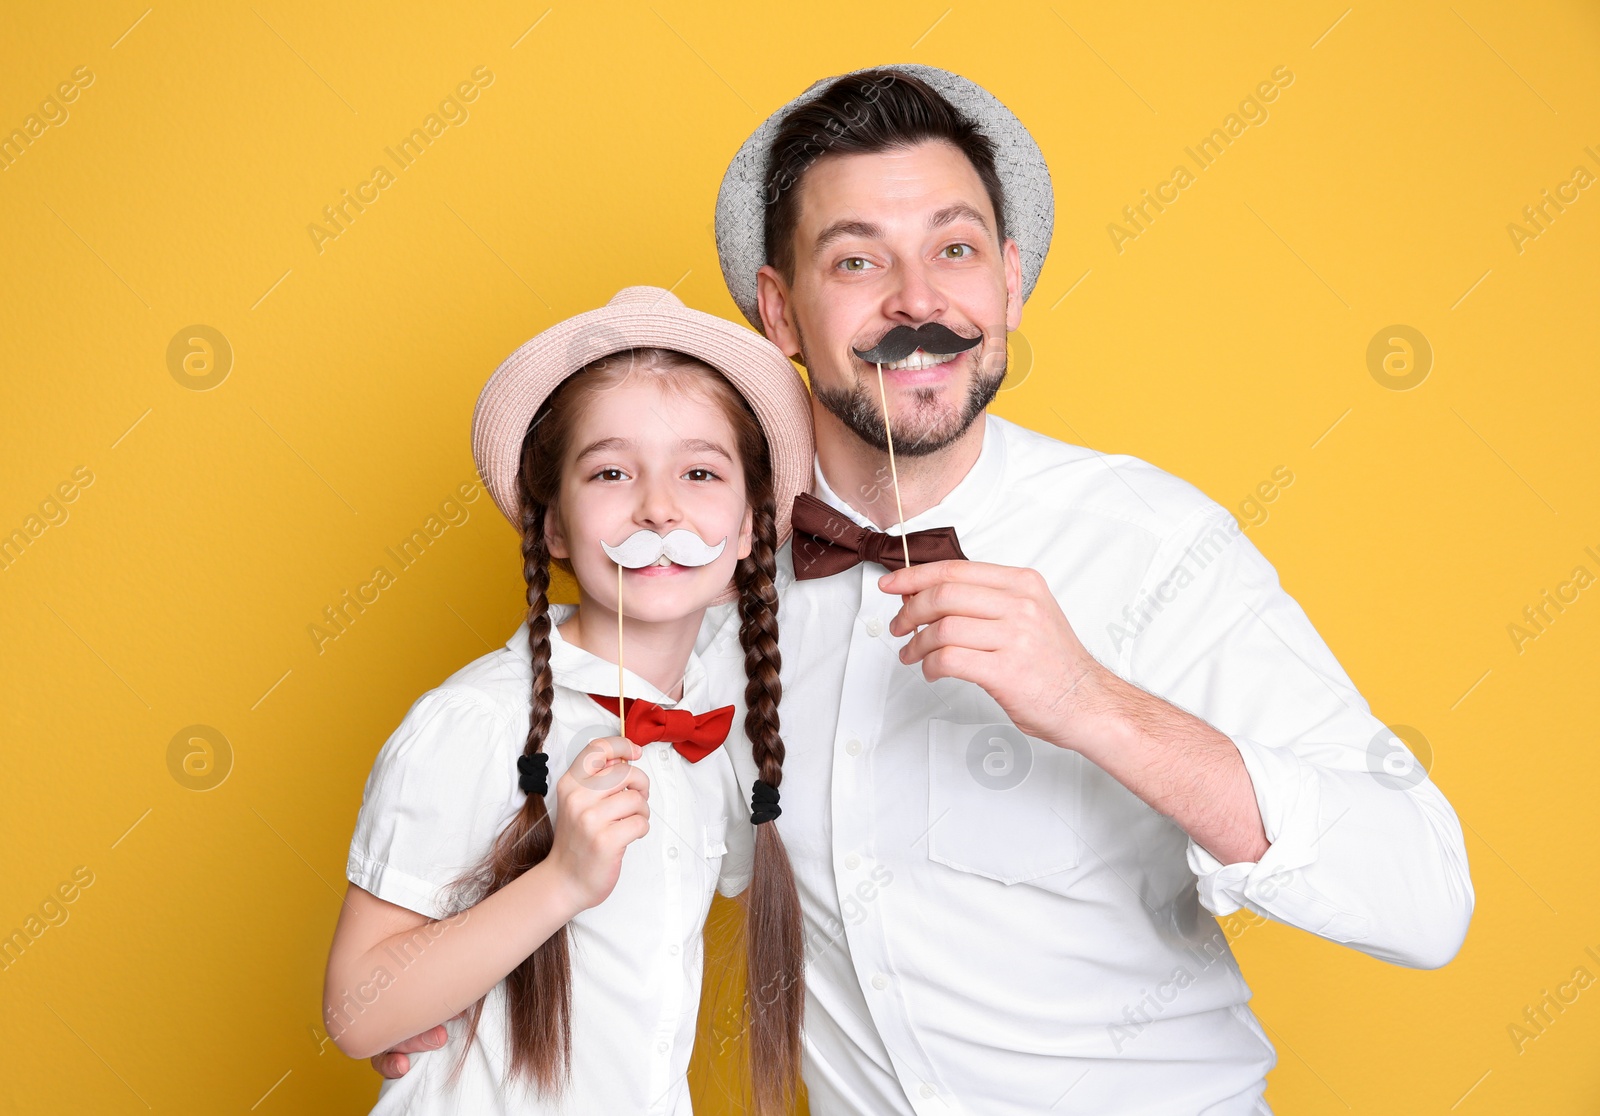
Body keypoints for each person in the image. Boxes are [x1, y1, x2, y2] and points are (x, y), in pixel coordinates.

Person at [377, 66, 1475, 1115]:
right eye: (857, 261)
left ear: (1009, 279)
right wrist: (443, 996)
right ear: (778, 311)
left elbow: (1423, 898)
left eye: (954, 249)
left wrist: (1092, 703)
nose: (917, 302)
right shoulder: (704, 573)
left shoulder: (1152, 544)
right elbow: (607, 830)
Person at [324, 286, 814, 1115]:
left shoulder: (717, 729)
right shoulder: (478, 722)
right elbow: (356, 1012)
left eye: (699, 472)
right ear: (552, 526)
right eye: (611, 472)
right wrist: (561, 880)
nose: (658, 508)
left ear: (746, 531)